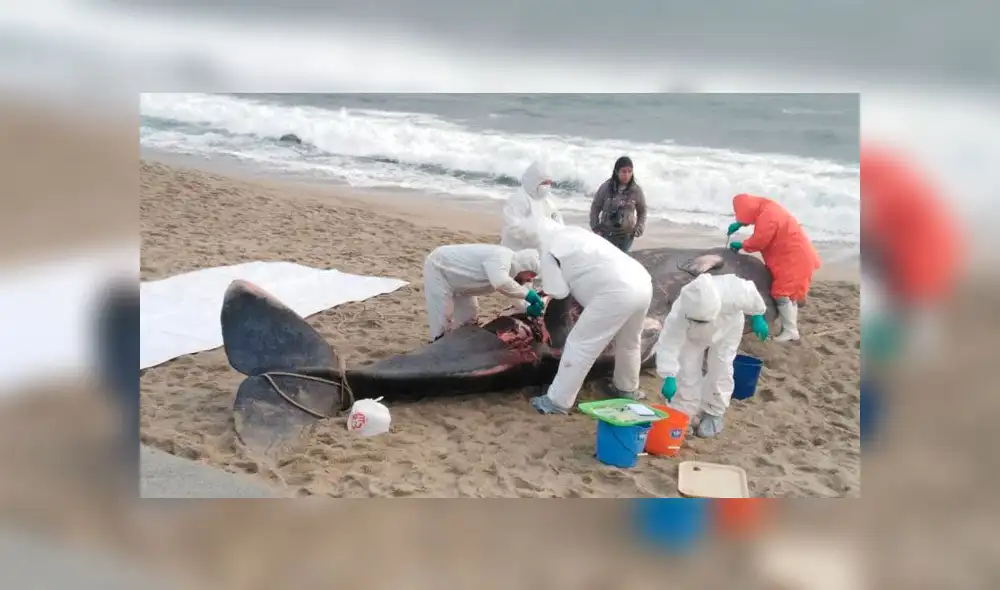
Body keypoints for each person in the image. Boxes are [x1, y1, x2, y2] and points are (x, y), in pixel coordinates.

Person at [529, 226, 653, 414]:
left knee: (580, 345)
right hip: (642, 281)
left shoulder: (550, 251)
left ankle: (557, 401)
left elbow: (559, 292)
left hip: (616, 291)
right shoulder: (577, 235)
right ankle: (626, 389)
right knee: (630, 342)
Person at [654, 273, 770, 438]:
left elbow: (751, 293)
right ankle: (683, 412)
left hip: (728, 328)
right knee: (686, 368)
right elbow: (669, 344)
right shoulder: (680, 311)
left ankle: (714, 411)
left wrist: (758, 315)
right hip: (692, 335)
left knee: (721, 365)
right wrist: (669, 375)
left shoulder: (732, 290)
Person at [726, 193, 821, 342]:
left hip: (794, 258)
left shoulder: (767, 215)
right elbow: (761, 224)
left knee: (782, 293)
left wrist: (742, 244)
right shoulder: (767, 209)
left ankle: (790, 330)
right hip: (796, 256)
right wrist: (741, 223)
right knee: (790, 294)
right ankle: (789, 328)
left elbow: (759, 241)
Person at [423, 244, 543, 342]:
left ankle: (460, 344)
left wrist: (527, 308)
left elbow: (512, 291)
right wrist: (528, 295)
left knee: (470, 317)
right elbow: (501, 283)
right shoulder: (501, 256)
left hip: (463, 284)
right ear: (524, 267)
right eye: (531, 275)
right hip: (440, 268)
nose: (530, 280)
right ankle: (438, 343)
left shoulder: (511, 273)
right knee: (443, 317)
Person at [502, 160, 564, 251]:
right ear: (534, 181)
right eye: (544, 183)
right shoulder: (518, 199)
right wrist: (534, 235)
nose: (547, 186)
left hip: (544, 247)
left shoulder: (548, 200)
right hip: (518, 249)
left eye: (549, 183)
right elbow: (512, 227)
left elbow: (557, 220)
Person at [589, 156, 648, 252]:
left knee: (620, 262)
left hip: (626, 236)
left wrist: (639, 228)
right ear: (617, 172)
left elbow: (642, 211)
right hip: (607, 233)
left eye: (630, 171)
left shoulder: (636, 190)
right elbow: (595, 207)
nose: (627, 175)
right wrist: (595, 227)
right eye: (624, 171)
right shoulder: (606, 187)